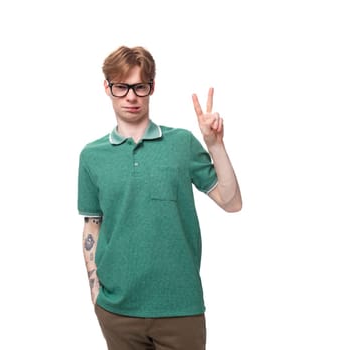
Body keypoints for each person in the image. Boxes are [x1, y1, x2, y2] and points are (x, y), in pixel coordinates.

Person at [77, 45, 242, 350]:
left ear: (151, 87)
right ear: (107, 88)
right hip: (117, 311)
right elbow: (92, 224)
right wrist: (94, 291)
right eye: (121, 87)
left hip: (180, 308)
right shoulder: (91, 156)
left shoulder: (181, 143)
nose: (131, 96)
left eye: (139, 86)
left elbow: (231, 202)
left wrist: (215, 145)